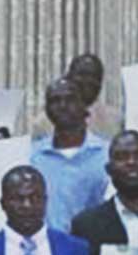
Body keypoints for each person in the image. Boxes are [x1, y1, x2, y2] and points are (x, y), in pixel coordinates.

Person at [29, 77, 110, 235]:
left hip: (93, 249)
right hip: (46, 250)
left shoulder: (107, 154)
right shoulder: (32, 156)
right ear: (47, 110)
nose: (63, 106)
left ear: (84, 106)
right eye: (55, 101)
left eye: (70, 99)